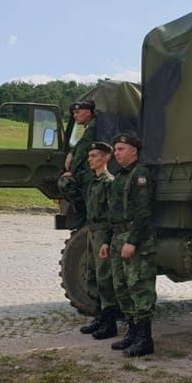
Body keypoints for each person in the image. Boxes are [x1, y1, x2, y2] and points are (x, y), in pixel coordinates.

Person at [107, 132, 156, 357]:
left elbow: (143, 212)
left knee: (139, 287)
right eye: (115, 150)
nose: (116, 153)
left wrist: (132, 241)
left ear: (133, 151)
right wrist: (109, 241)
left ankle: (145, 340)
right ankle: (132, 333)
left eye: (121, 149)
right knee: (121, 286)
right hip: (118, 237)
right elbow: (114, 212)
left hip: (133, 237)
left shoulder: (140, 174)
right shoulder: (120, 176)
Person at [78, 141, 119, 339]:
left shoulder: (109, 182)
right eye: (90, 156)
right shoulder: (94, 182)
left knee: (105, 277)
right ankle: (99, 317)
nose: (90, 159)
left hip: (103, 232)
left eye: (94, 156)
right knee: (92, 274)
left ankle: (110, 323)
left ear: (105, 158)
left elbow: (114, 215)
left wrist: (107, 240)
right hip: (92, 231)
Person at [58, 99, 97, 228]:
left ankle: (83, 216)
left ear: (88, 112)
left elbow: (82, 151)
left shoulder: (92, 128)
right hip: (89, 171)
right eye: (74, 113)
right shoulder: (91, 126)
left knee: (66, 183)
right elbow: (80, 146)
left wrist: (72, 172)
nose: (75, 116)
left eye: (77, 112)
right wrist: (71, 152)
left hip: (89, 174)